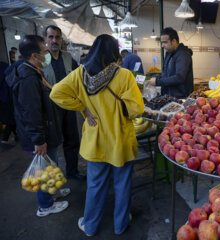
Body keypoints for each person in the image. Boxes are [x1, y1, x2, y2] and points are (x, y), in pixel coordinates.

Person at [50, 34, 144, 236]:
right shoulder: (125, 75)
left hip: (96, 142)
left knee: (95, 186)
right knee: (122, 184)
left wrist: (82, 107)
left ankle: (90, 225)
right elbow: (137, 110)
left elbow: (55, 93)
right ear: (114, 53)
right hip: (120, 142)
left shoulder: (79, 75)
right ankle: (121, 225)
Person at [6, 35, 69, 217]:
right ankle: (45, 206)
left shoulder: (33, 71)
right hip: (40, 135)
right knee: (44, 171)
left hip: (46, 130)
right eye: (44, 51)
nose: (47, 54)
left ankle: (53, 193)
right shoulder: (28, 79)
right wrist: (38, 140)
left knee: (52, 165)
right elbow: (31, 112)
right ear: (35, 55)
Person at [42, 25, 85, 180]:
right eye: (51, 37)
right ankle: (54, 179)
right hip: (50, 109)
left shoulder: (68, 58)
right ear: (45, 39)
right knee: (52, 144)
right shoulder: (41, 60)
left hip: (68, 106)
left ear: (61, 39)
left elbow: (78, 77)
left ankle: (72, 172)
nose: (54, 40)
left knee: (72, 140)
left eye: (57, 37)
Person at [148, 27, 194, 99]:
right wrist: (156, 78)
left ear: (174, 41)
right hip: (169, 97)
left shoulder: (183, 55)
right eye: (162, 42)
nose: (162, 45)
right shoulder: (168, 53)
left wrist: (157, 82)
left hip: (180, 98)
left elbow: (179, 78)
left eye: (165, 42)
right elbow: (166, 74)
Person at [0, 60, 16, 145]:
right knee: (11, 119)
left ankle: (13, 136)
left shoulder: (3, 66)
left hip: (4, 99)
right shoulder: (4, 66)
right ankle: (5, 138)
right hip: (7, 99)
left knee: (10, 119)